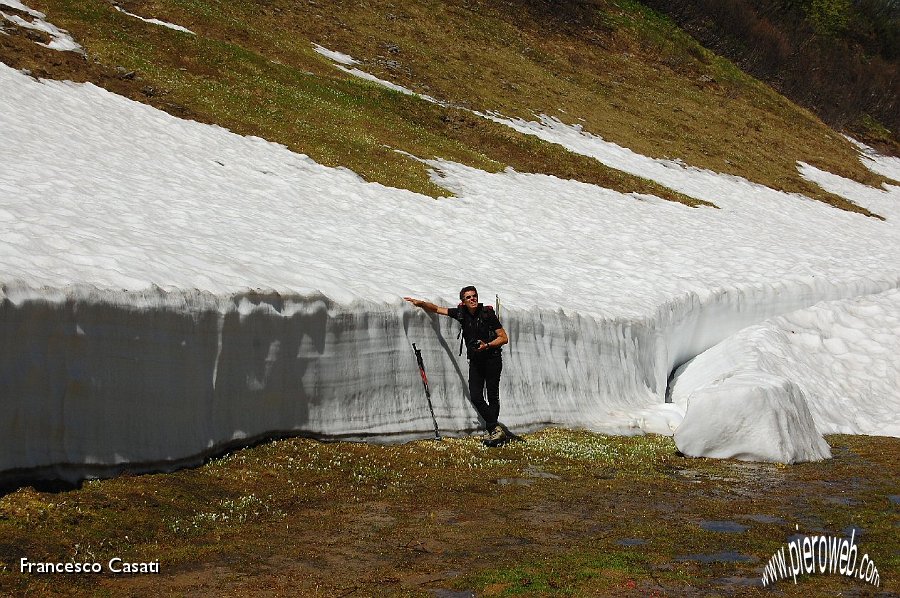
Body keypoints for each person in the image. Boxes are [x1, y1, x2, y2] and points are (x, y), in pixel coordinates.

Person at [404, 286, 509, 443]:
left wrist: (486, 345)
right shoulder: (461, 314)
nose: (473, 299)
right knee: (476, 396)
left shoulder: (487, 314)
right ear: (463, 301)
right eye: (468, 297)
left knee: (492, 395)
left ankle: (493, 431)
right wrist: (421, 304)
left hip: (492, 359)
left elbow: (503, 337)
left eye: (474, 296)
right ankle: (495, 428)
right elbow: (438, 309)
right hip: (476, 360)